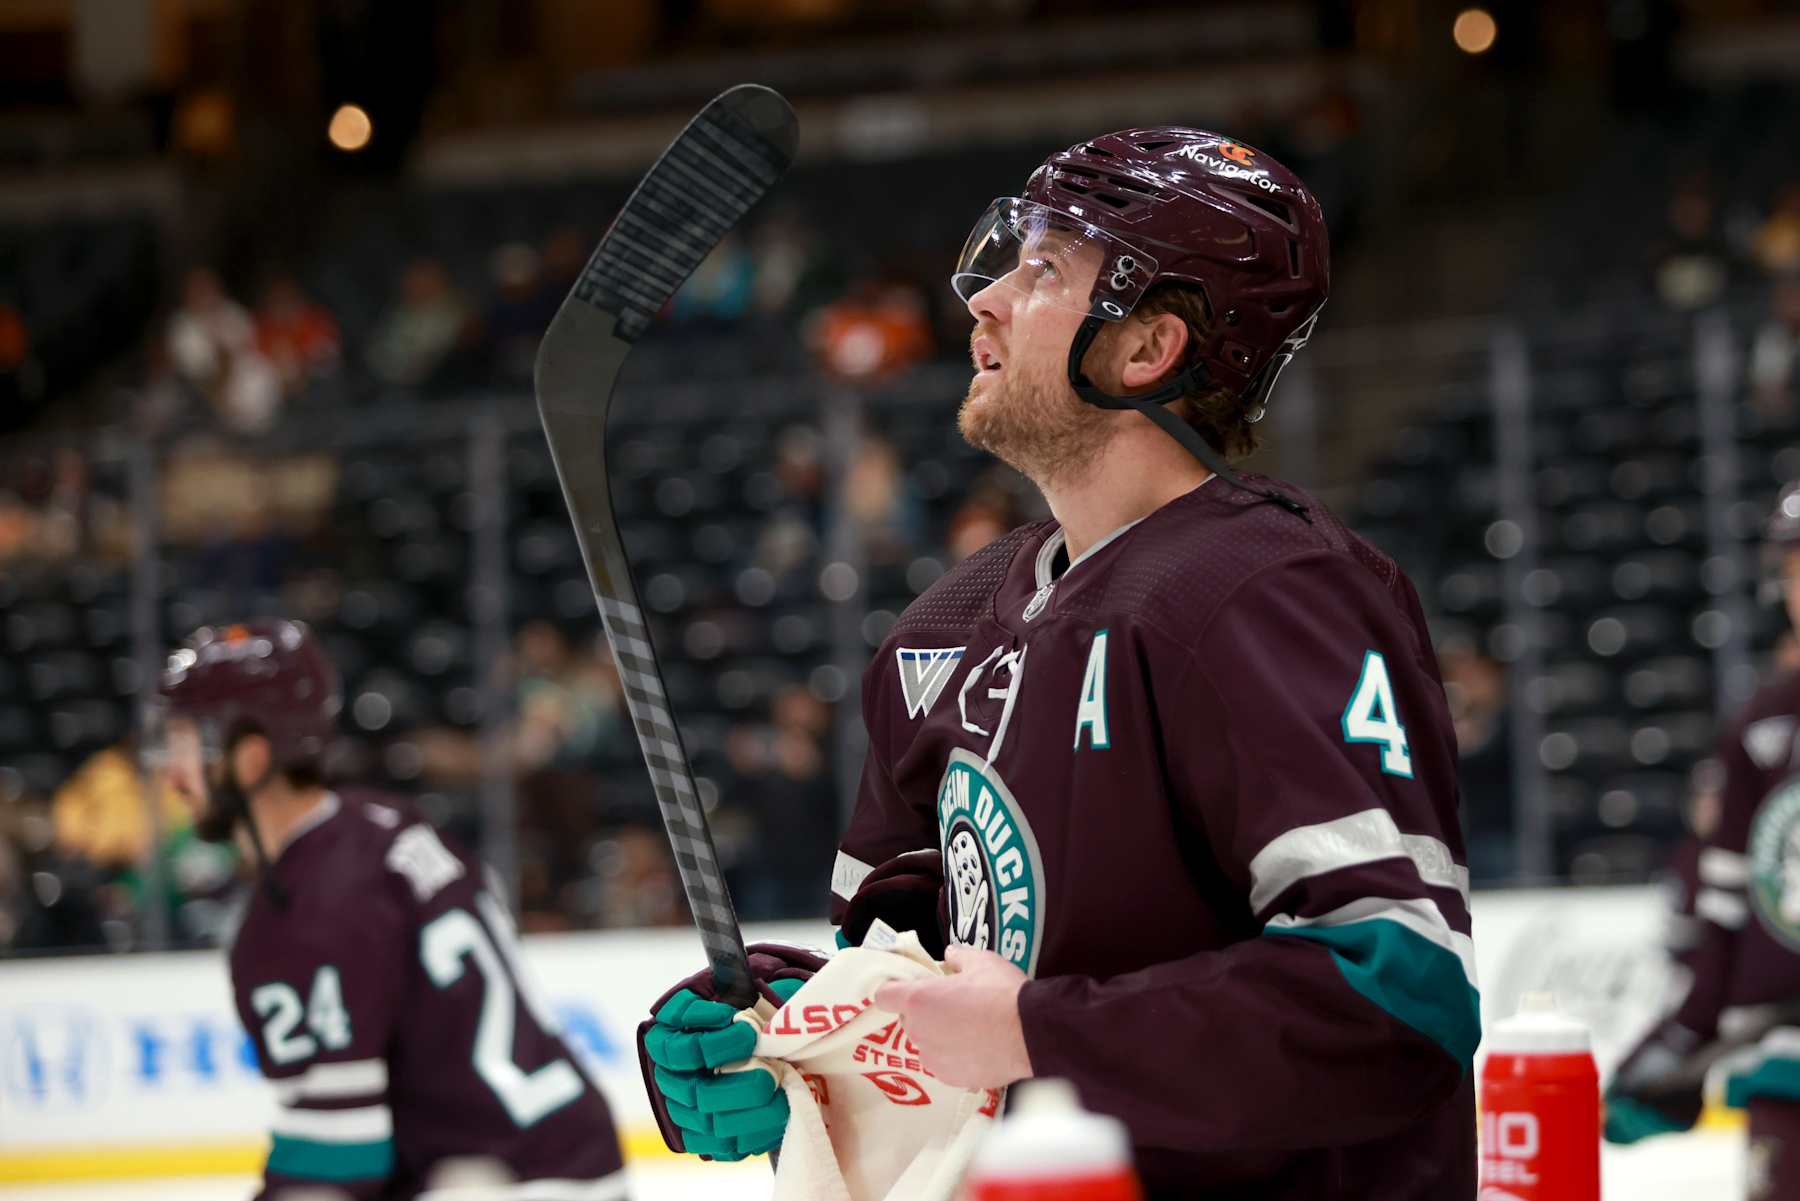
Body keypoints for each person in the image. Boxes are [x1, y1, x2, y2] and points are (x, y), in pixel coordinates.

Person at [639, 129, 1476, 1198]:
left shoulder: (1269, 593)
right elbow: (915, 988)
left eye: (1042, 273)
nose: (984, 299)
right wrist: (773, 1032)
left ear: (1144, 351)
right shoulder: (938, 631)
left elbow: (1396, 1001)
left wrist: (1037, 1034)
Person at [158, 620, 627, 1200]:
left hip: (506, 1180)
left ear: (250, 757)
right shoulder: (385, 825)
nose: (172, 775)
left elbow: (333, 1163)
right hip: (571, 1153)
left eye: (181, 744)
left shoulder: (301, 913)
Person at [1607, 481, 1800, 1198]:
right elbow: (1723, 918)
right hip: (1784, 1073)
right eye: (1793, 571)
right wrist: (1681, 1039)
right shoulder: (1760, 727)